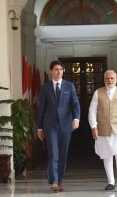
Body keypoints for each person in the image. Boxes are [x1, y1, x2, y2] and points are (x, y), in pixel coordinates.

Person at [37, 60, 80, 192]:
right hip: (50, 126)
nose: (59, 71)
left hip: (66, 125)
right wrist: (39, 127)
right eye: (56, 69)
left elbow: (75, 103)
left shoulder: (69, 86)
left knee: (63, 154)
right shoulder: (45, 87)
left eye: (61, 69)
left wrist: (76, 118)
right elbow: (41, 108)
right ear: (51, 71)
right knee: (54, 153)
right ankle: (54, 181)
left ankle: (60, 180)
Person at [88, 70, 117, 191]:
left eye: (112, 78)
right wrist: (93, 126)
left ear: (116, 79)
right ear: (104, 79)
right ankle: (110, 182)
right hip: (103, 129)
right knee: (106, 155)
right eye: (107, 78)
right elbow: (92, 111)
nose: (110, 80)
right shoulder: (98, 92)